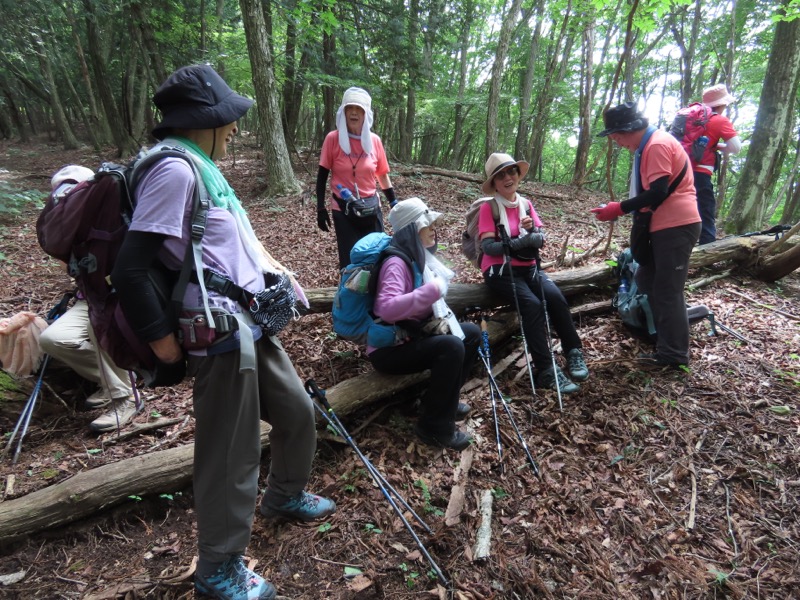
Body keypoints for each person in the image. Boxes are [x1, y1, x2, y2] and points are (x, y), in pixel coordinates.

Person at [110, 64, 334, 600]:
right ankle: (218, 568)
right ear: (202, 120)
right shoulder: (176, 172)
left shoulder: (202, 167)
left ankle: (284, 495)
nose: (234, 127)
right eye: (228, 118)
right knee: (230, 454)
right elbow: (131, 269)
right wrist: (166, 348)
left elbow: (222, 247)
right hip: (218, 332)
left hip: (248, 324)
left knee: (296, 411)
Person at [592, 102, 701, 368]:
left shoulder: (656, 145)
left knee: (667, 290)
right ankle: (668, 333)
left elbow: (658, 192)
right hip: (664, 226)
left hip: (676, 226)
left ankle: (673, 355)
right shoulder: (649, 145)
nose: (615, 141)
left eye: (617, 134)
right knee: (646, 276)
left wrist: (617, 208)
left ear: (631, 129)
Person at [368, 198, 479, 451]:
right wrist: (431, 291)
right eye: (427, 224)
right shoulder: (396, 263)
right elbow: (385, 307)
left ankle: (438, 403)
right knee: (451, 347)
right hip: (388, 349)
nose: (433, 229)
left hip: (410, 338)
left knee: (469, 334)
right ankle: (434, 428)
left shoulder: (420, 259)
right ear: (411, 230)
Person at [39, 165, 140, 434]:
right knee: (52, 339)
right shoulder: (70, 229)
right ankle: (117, 380)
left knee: (100, 328)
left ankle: (126, 398)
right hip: (89, 300)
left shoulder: (117, 216)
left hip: (118, 298)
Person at [478, 153, 589, 395]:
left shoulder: (526, 204)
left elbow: (541, 239)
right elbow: (488, 248)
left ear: (518, 175)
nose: (508, 178)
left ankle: (573, 352)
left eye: (511, 172)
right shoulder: (490, 208)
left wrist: (532, 233)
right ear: (495, 182)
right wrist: (520, 241)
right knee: (532, 304)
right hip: (500, 271)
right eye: (501, 175)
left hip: (529, 268)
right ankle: (546, 370)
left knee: (557, 299)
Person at [317, 87, 398, 269]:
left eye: (359, 109)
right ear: (343, 111)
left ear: (366, 114)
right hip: (344, 210)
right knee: (350, 261)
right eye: (350, 107)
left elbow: (382, 175)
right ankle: (349, 295)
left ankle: (376, 296)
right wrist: (320, 208)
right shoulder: (333, 139)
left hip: (371, 209)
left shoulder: (374, 141)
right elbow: (322, 176)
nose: (354, 112)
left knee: (377, 257)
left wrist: (394, 203)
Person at [693, 84, 742, 245]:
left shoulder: (692, 118)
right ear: (721, 104)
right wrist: (717, 146)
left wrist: (714, 145)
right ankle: (707, 250)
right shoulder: (720, 121)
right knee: (705, 210)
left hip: (679, 169)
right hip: (701, 172)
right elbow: (736, 148)